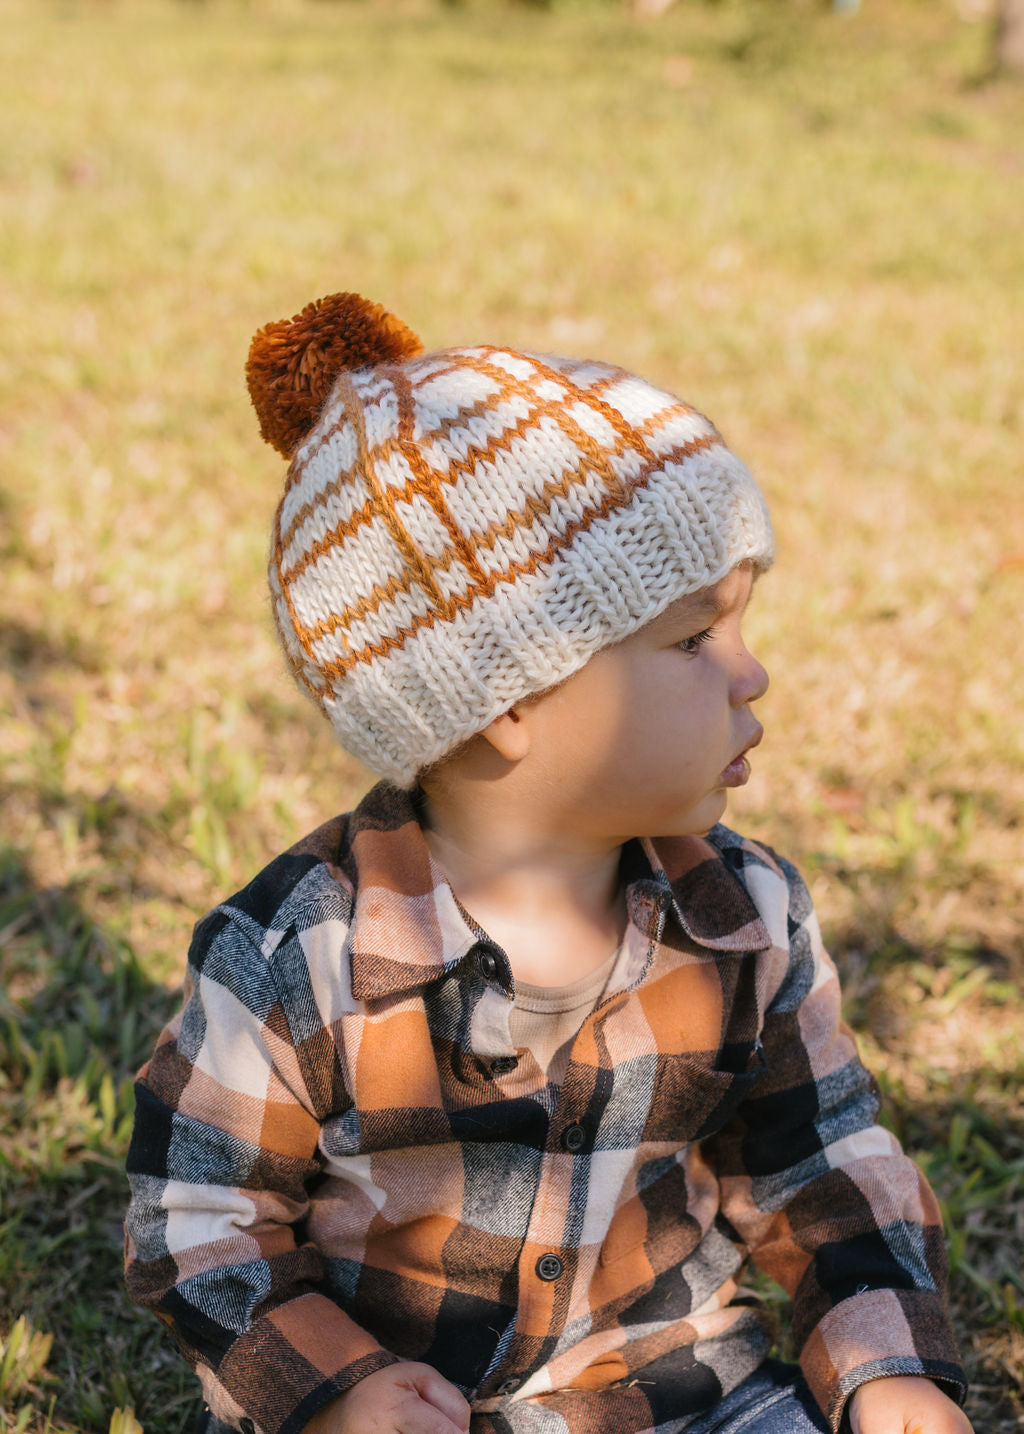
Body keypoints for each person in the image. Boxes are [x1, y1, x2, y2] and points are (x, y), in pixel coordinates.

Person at [125, 293, 970, 1434]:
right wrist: (337, 1390)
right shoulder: (295, 956)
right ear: (508, 699)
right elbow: (198, 1221)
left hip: (687, 1391)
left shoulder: (744, 913)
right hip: (413, 1411)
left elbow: (821, 1163)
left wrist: (887, 1366)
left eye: (738, 624)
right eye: (691, 640)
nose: (750, 672)